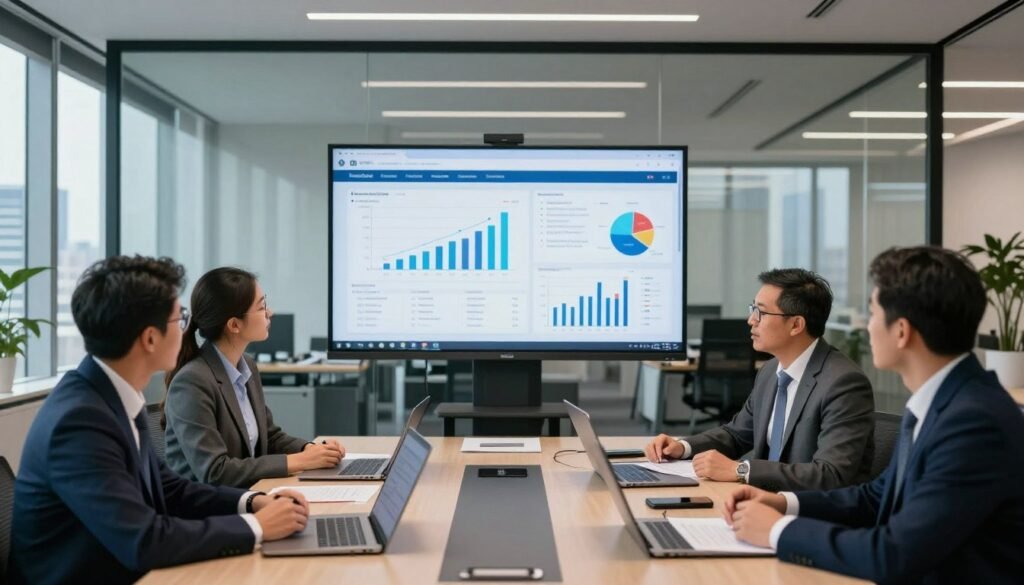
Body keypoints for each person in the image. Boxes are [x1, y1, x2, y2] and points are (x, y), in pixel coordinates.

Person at [725, 246, 1024, 583]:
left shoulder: (974, 423)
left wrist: (778, 531)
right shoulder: (941, 401)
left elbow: (894, 554)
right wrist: (783, 502)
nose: (866, 328)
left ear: (901, 331)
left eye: (873, 314)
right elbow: (875, 497)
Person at [10, 256, 309, 585]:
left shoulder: (114, 394)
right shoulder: (79, 422)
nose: (187, 329)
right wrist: (258, 527)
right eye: (179, 319)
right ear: (150, 338)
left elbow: (168, 488)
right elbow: (144, 541)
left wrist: (252, 502)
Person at [645, 268, 875, 491]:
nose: (751, 320)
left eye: (761, 313)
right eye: (753, 309)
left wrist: (742, 470)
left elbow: (831, 475)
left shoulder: (843, 383)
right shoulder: (771, 371)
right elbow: (736, 435)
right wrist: (682, 447)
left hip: (812, 514)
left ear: (796, 324)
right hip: (763, 502)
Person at [163, 267, 344, 488]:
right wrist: (298, 461)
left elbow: (270, 437)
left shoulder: (245, 365)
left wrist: (311, 449)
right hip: (207, 511)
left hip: (248, 495)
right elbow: (215, 472)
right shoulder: (192, 382)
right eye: (261, 307)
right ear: (234, 325)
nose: (270, 312)